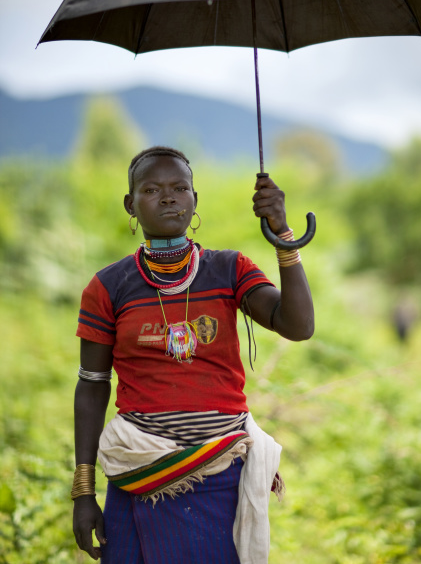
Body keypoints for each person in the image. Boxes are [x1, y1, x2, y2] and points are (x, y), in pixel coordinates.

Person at [72, 146, 314, 563]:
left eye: (179, 187)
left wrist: (282, 235)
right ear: (131, 204)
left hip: (218, 475)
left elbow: (298, 325)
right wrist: (83, 491)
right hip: (137, 472)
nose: (168, 197)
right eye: (152, 189)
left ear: (194, 199)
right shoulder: (108, 286)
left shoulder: (229, 270)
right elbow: (92, 387)